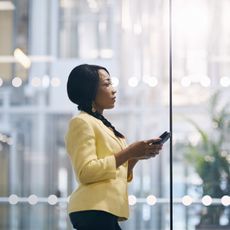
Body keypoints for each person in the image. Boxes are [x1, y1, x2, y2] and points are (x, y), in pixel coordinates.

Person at [65, 64, 163, 230]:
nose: (114, 89)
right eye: (107, 84)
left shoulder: (102, 125)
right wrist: (129, 152)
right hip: (93, 209)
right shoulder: (81, 122)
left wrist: (136, 156)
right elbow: (85, 172)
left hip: (103, 210)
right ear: (90, 90)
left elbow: (115, 174)